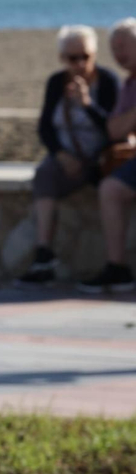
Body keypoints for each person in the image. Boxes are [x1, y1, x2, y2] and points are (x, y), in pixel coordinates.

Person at [14, 25, 122, 288]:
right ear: (62, 58)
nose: (80, 64)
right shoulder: (56, 83)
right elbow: (45, 128)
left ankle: (116, 265)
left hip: (100, 159)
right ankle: (43, 256)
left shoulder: (108, 82)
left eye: (86, 56)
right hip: (66, 158)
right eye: (73, 58)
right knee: (44, 175)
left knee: (111, 189)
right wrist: (61, 155)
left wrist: (88, 105)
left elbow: (114, 130)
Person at [77, 19, 136, 294]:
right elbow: (114, 130)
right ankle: (117, 268)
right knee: (111, 188)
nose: (119, 54)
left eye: (124, 46)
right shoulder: (128, 85)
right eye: (114, 48)